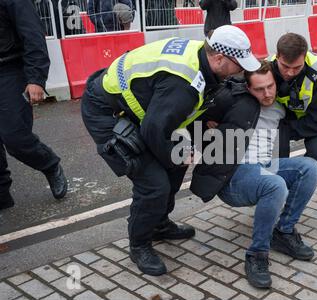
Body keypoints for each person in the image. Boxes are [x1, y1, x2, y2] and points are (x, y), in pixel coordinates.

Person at [81, 25, 260, 276]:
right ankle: (140, 244)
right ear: (219, 58)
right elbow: (154, 131)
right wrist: (173, 156)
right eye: (238, 64)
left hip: (142, 112)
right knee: (154, 184)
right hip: (107, 113)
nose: (241, 70)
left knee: (175, 165)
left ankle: (159, 224)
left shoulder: (201, 56)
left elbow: (168, 115)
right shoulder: (183, 84)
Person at [191, 61, 317, 288]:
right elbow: (194, 121)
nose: (267, 93)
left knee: (311, 167)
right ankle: (257, 255)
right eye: (259, 89)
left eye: (270, 86)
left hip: (265, 166)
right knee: (276, 184)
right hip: (233, 176)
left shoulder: (281, 104)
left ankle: (283, 231)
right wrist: (210, 129)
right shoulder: (232, 100)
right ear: (248, 88)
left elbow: (309, 112)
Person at [270, 33, 317, 239]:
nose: (289, 72)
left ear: (305, 57)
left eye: (296, 67)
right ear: (277, 56)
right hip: (294, 107)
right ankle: (276, 199)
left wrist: (286, 131)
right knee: (276, 145)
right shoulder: (267, 68)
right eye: (285, 66)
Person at [0, 0, 68, 211]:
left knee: (15, 136)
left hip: (9, 69)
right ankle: (2, 194)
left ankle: (49, 164)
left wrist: (36, 79)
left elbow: (33, 35)